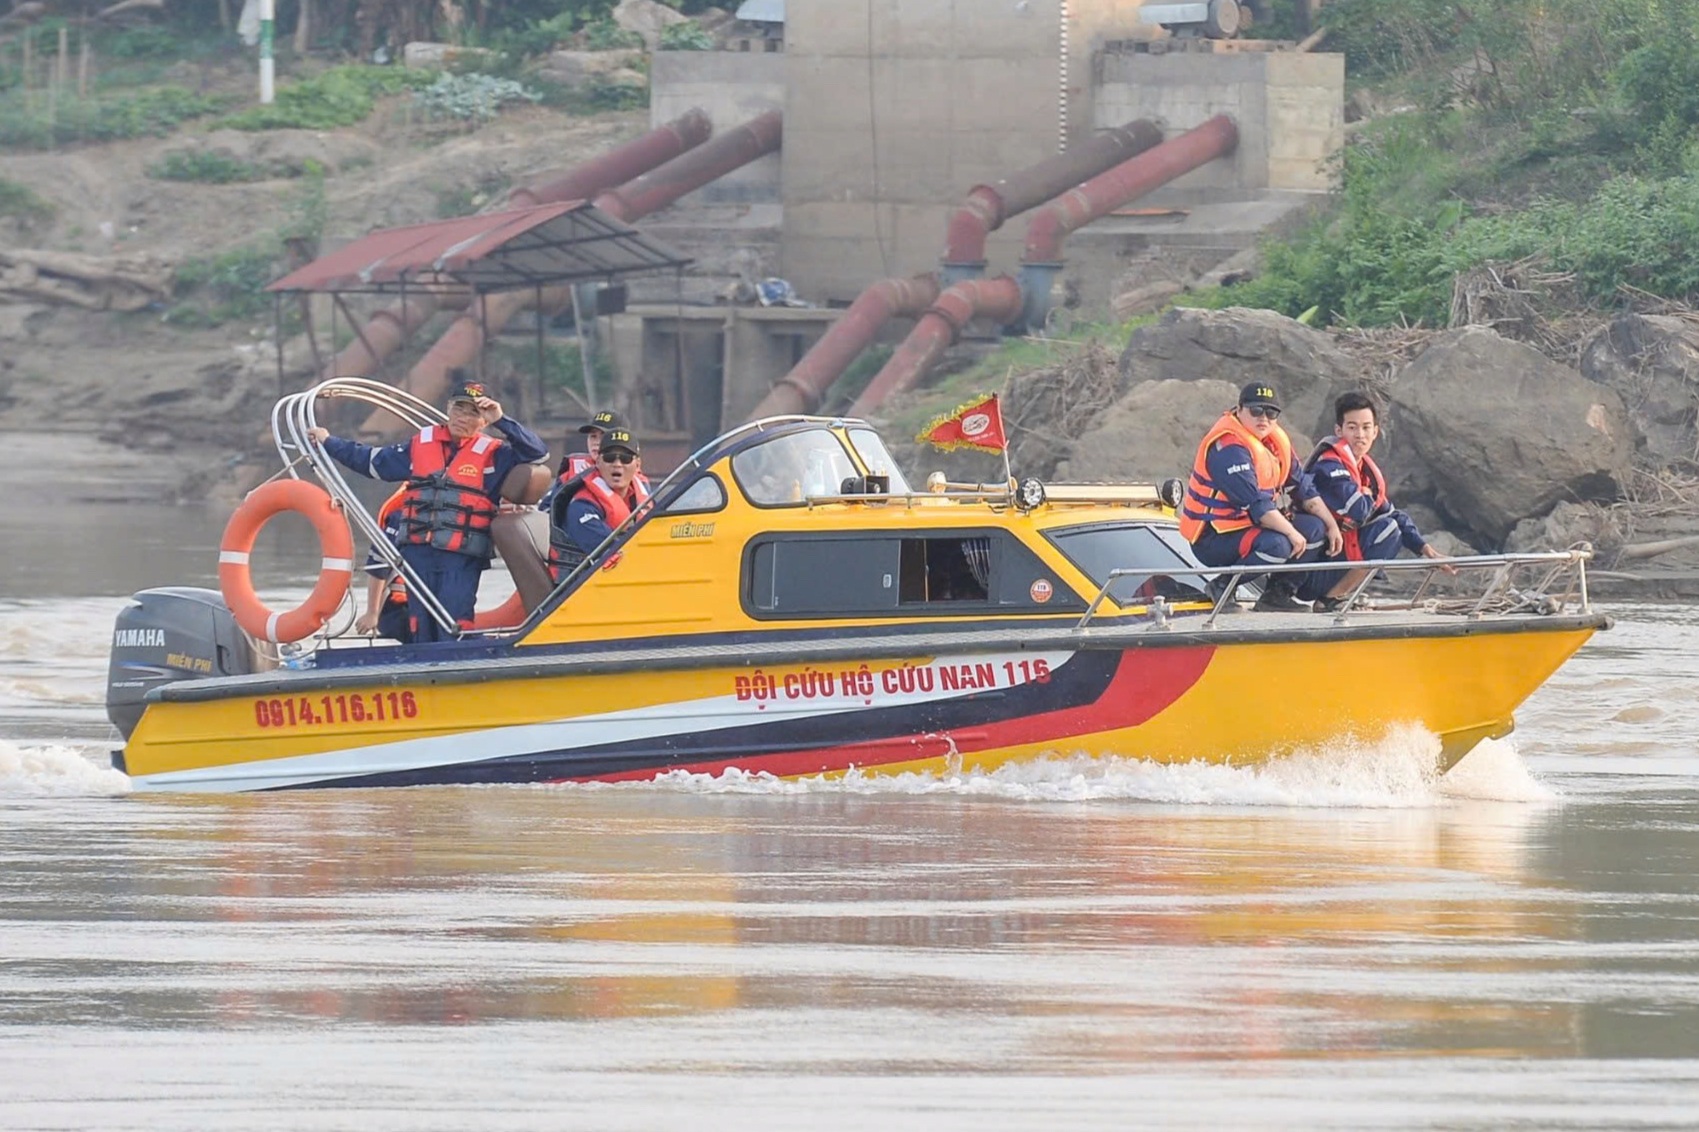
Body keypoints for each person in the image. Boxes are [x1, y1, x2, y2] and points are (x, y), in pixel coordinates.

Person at [308, 378, 548, 643]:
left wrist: (501, 420)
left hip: (461, 558)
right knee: (420, 627)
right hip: (417, 553)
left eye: (474, 412)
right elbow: (372, 461)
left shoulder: (496, 455)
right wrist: (328, 442)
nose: (463, 417)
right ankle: (426, 677)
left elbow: (536, 452)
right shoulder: (420, 444)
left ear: (484, 420)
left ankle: (459, 674)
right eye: (459, 408)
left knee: (455, 624)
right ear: (448, 407)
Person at [1178, 381, 1343, 612]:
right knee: (1279, 545)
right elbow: (1256, 505)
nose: (1263, 418)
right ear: (1239, 409)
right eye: (1255, 411)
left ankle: (1277, 595)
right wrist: (1292, 533)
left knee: (1315, 528)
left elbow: (1304, 488)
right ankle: (1222, 586)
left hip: (1251, 525)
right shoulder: (1228, 447)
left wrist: (1331, 525)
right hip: (1214, 536)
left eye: (1271, 412)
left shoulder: (1275, 442)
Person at [1303, 390, 1456, 612]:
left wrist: (1427, 552)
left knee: (1392, 526)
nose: (1360, 435)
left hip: (1335, 560)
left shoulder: (1364, 471)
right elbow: (1358, 510)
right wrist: (1365, 494)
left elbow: (1391, 514)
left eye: (1366, 428)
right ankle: (1328, 600)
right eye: (1352, 427)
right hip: (1313, 567)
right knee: (1387, 530)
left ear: (1375, 432)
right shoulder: (1329, 466)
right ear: (1339, 431)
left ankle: (1334, 598)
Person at [547, 427, 651, 580]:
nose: (617, 464)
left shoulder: (642, 496)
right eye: (609, 457)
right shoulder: (581, 506)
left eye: (625, 458)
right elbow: (613, 554)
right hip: (579, 586)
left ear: (637, 464)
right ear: (598, 462)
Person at [355, 490, 411, 643]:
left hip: (429, 608)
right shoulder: (401, 517)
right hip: (395, 608)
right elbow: (378, 567)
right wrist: (372, 613)